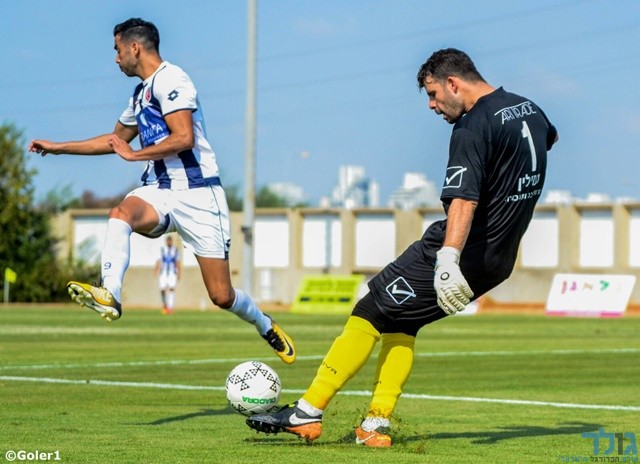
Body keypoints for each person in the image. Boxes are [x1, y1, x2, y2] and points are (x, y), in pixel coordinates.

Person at [245, 48, 558, 446]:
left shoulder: (472, 126)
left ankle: (308, 412)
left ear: (453, 83)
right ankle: (374, 426)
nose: (432, 105)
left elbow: (464, 200)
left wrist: (448, 259)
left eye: (433, 94)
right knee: (403, 321)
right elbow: (549, 138)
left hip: (462, 249)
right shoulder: (529, 109)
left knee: (370, 309)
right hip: (498, 259)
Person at [28, 18, 296, 364]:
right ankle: (110, 293)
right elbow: (115, 141)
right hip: (159, 190)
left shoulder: (173, 79)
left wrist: (134, 155)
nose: (116, 58)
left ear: (135, 48)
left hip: (199, 194)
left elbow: (184, 138)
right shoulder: (139, 94)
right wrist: (58, 148)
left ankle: (264, 324)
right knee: (120, 214)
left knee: (221, 295)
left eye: (117, 50)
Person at [155, 235, 181, 315]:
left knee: (172, 289)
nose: (169, 242)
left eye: (170, 240)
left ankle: (170, 307)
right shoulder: (163, 250)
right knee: (162, 289)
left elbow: (177, 262)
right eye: (168, 240)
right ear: (166, 241)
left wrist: (179, 272)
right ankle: (164, 305)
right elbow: (159, 261)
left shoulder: (175, 250)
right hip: (163, 272)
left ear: (172, 241)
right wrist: (156, 270)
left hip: (172, 272)